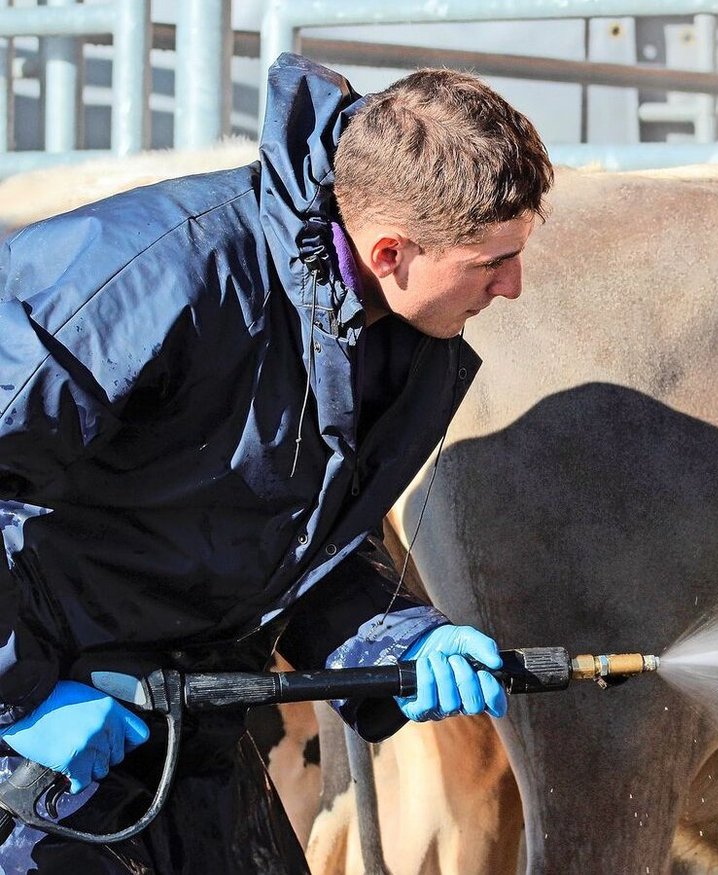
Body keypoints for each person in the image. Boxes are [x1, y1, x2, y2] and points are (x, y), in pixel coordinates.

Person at [0, 52, 553, 873]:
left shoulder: (385, 330)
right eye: (491, 262)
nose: (513, 286)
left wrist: (401, 642)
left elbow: (287, 540)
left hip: (182, 733)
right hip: (37, 746)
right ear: (391, 251)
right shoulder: (150, 280)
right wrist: (20, 698)